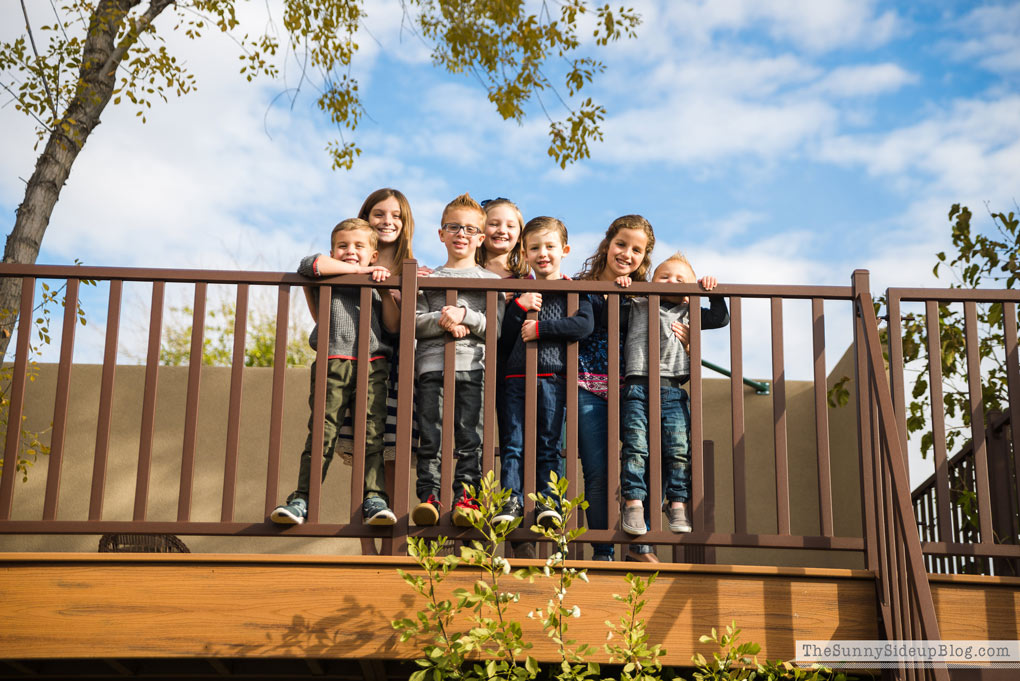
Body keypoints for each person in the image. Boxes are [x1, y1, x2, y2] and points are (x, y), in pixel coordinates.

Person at [271, 218, 400, 526]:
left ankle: (374, 497)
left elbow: (393, 325)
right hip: (333, 360)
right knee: (323, 431)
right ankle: (302, 499)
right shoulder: (331, 275)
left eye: (359, 247)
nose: (350, 251)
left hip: (373, 362)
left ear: (373, 254)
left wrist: (381, 288)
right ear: (333, 250)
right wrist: (360, 272)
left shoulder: (377, 279)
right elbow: (308, 265)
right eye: (342, 246)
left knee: (372, 431)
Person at [620, 251, 728, 545]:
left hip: (672, 389)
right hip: (637, 385)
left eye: (681, 279)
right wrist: (623, 287)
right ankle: (633, 502)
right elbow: (611, 318)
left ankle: (676, 503)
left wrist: (711, 291)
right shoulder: (640, 305)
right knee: (635, 446)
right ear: (651, 281)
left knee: (678, 449)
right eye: (664, 276)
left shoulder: (689, 310)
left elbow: (720, 319)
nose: (671, 281)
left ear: (688, 291)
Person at [412, 193, 505, 527]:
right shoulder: (426, 280)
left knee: (470, 437)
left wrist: (465, 315)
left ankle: (467, 499)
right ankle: (430, 498)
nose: (461, 234)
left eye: (469, 229)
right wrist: (443, 317)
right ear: (441, 233)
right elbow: (413, 321)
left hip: (473, 368)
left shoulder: (491, 283)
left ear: (481, 238)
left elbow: (494, 327)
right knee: (431, 436)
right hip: (431, 368)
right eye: (454, 227)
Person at [495, 216, 594, 530]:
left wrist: (541, 328)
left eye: (550, 246)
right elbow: (505, 337)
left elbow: (583, 326)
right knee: (513, 442)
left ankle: (548, 502)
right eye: (534, 247)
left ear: (564, 250)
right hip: (515, 378)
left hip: (553, 378)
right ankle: (511, 499)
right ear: (524, 254)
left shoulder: (573, 291)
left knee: (547, 443)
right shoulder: (519, 292)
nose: (543, 253)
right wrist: (519, 309)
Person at [574, 214, 656, 561]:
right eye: (621, 244)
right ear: (607, 244)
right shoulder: (581, 286)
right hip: (587, 385)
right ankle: (603, 550)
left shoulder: (645, 295)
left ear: (644, 258)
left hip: (633, 390)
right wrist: (608, 294)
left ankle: (640, 546)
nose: (626, 254)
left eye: (637, 250)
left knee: (642, 464)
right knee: (597, 471)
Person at [477, 198, 528, 279]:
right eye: (494, 224)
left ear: (519, 236)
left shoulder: (525, 279)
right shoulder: (467, 273)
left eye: (510, 226)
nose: (502, 231)